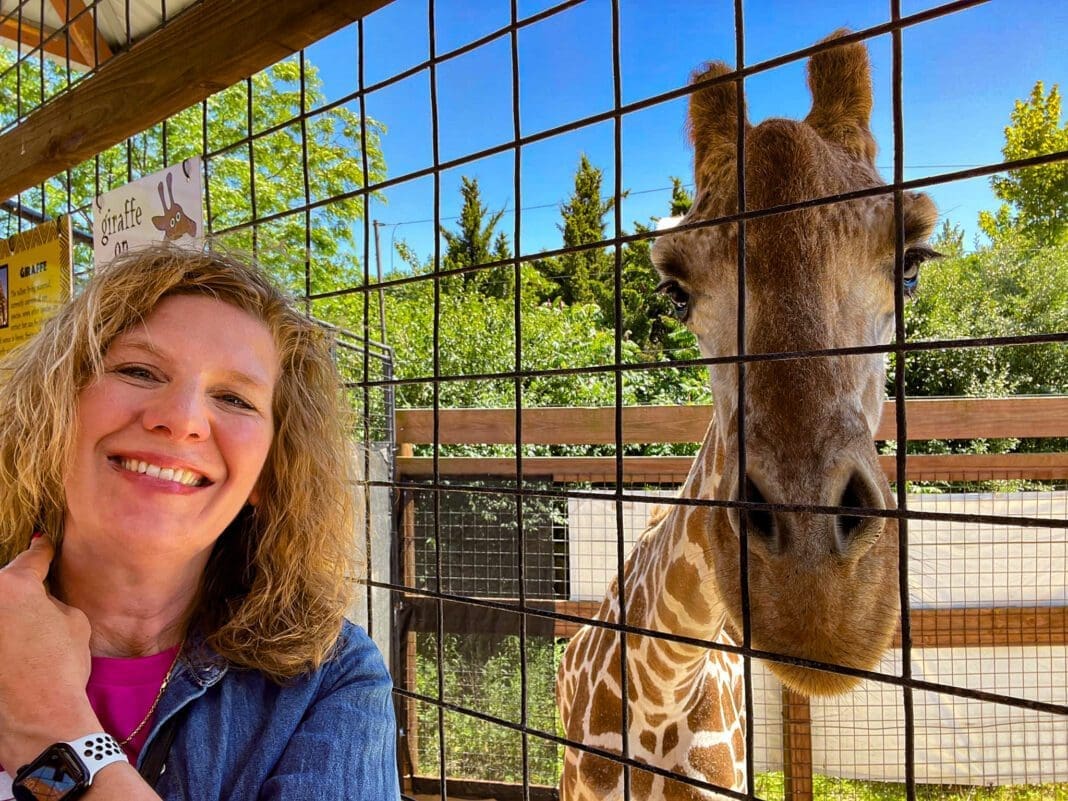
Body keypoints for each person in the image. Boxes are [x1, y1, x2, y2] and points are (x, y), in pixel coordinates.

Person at [0, 244, 400, 799]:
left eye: (235, 399)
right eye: (139, 370)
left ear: (268, 471)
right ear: (52, 410)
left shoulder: (329, 679)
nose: (182, 419)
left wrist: (53, 732)